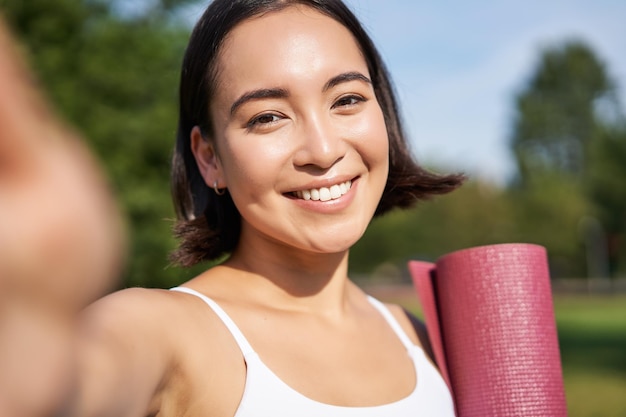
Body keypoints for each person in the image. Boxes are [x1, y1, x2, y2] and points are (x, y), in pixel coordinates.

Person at [3, 1, 465, 416]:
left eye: (347, 100)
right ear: (209, 158)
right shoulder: (160, 330)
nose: (323, 150)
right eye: (267, 117)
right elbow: (72, 385)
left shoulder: (422, 337)